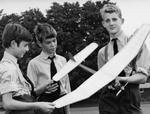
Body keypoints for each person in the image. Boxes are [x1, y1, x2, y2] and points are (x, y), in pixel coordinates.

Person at [97, 3, 150, 114]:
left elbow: (143, 77)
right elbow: (102, 81)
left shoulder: (137, 44)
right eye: (107, 20)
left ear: (122, 21)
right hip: (108, 101)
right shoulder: (102, 52)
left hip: (130, 98)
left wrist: (122, 79)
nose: (111, 23)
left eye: (114, 19)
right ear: (103, 24)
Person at [0, 23, 55, 114]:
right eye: (25, 45)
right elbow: (8, 103)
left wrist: (43, 88)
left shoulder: (13, 65)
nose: (27, 49)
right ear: (13, 44)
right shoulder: (8, 68)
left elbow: (23, 95)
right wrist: (38, 105)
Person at [27, 23, 71, 114]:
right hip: (43, 107)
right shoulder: (34, 64)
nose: (53, 45)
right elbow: (29, 93)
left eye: (54, 41)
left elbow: (66, 88)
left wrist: (68, 112)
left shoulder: (62, 60)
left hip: (62, 105)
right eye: (48, 42)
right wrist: (43, 88)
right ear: (39, 43)